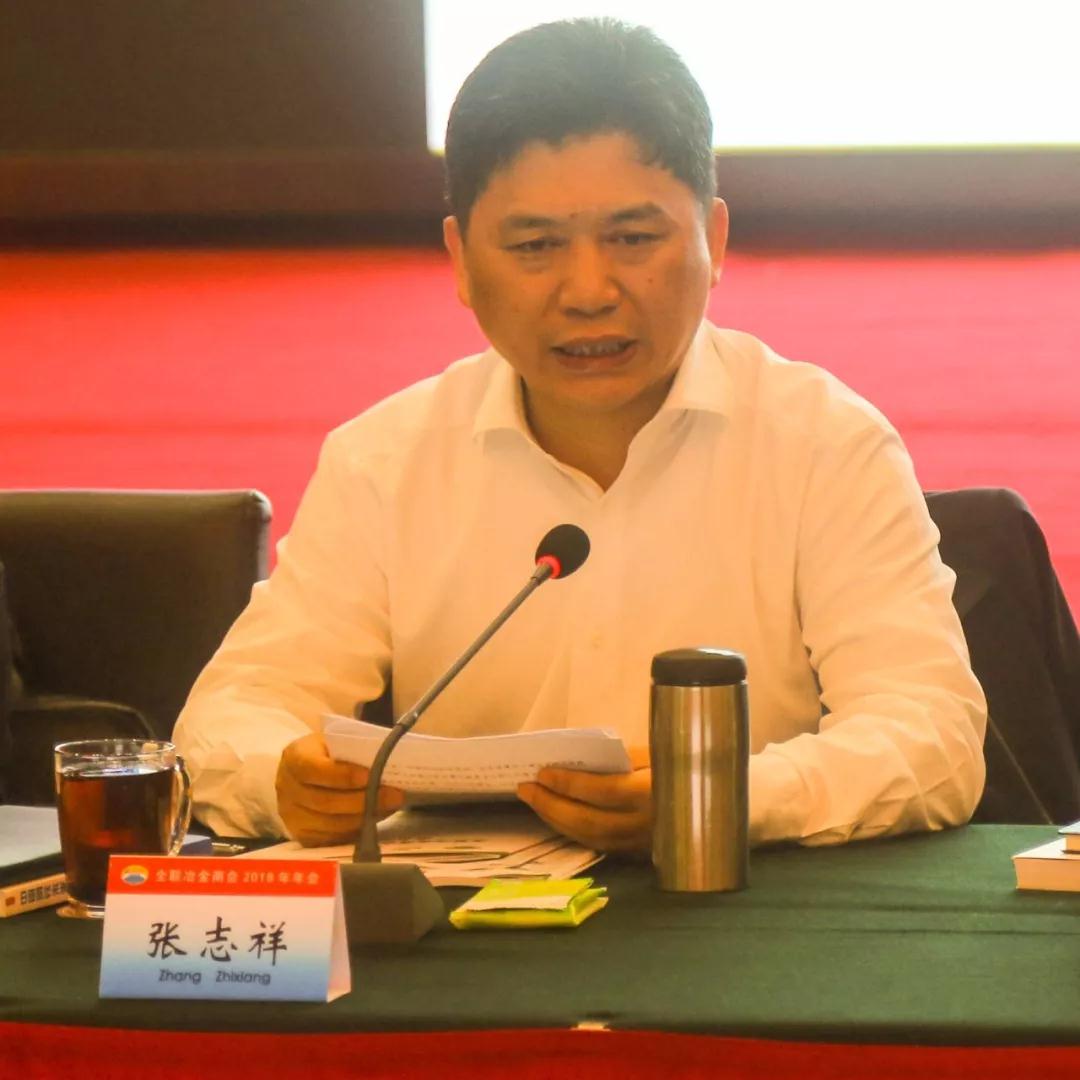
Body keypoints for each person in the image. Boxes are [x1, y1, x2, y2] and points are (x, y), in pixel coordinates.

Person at [174, 17, 986, 850]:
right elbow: (229, 717)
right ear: (461, 260)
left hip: (737, 902)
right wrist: (285, 779)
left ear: (714, 239)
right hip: (467, 918)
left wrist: (716, 794)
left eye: (633, 239)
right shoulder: (386, 460)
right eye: (535, 246)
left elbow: (930, 734)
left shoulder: (823, 444)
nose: (589, 290)